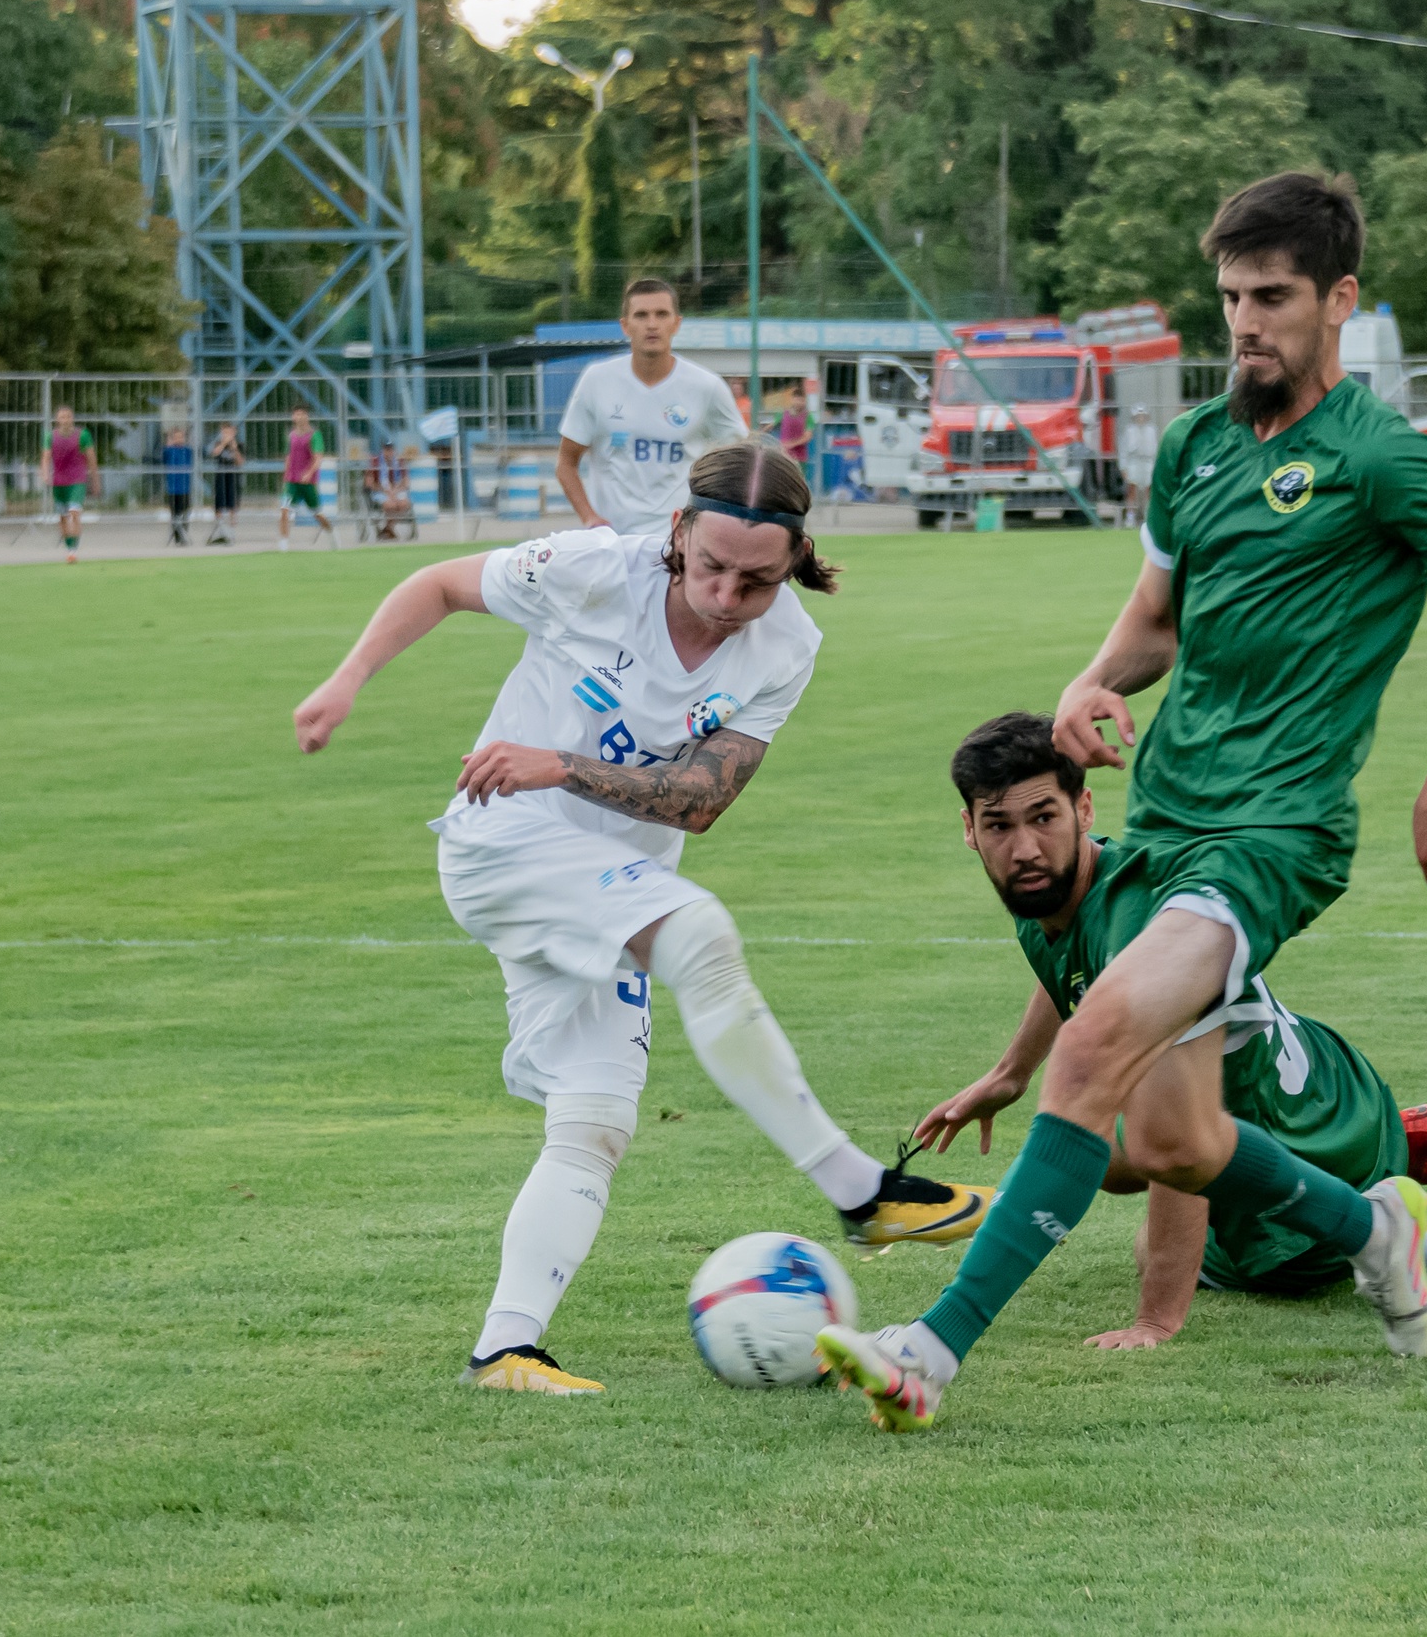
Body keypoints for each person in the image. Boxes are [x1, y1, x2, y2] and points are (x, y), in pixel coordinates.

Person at [813, 170, 1427, 1432]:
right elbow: (1153, 625)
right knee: (1173, 1142)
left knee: (1099, 1036)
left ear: (1338, 301)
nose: (1246, 325)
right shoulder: (1197, 448)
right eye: (1229, 298)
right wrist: (1088, 680)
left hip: (1272, 835)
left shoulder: (1381, 457)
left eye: (1271, 298)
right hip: (1162, 822)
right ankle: (1374, 1229)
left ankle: (929, 1352)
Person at [290, 440, 991, 1397]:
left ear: (793, 561)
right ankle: (859, 1190)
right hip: (505, 846)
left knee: (595, 1116)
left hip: (608, 881)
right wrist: (346, 680)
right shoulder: (592, 570)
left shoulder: (788, 644)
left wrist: (562, 762)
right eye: (710, 567)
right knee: (700, 934)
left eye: (756, 579)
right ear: (677, 534)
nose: (726, 596)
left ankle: (506, 1349)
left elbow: (701, 799)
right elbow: (440, 583)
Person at [912, 713, 1427, 1355]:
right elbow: (1071, 972)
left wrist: (1157, 1320)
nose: (1024, 846)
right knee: (1107, 1154)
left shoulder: (1130, 920)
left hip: (1303, 1133)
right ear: (970, 829)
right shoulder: (1071, 885)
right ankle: (1395, 1145)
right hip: (1331, 1083)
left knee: (1171, 1231)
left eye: (1042, 818)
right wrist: (1010, 1075)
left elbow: (1176, 1151)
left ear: (1083, 808)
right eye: (1000, 824)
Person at [555, 279, 748, 537]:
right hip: (613, 542)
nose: (652, 324)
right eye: (641, 315)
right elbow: (566, 463)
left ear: (676, 323)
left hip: (680, 542)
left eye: (661, 314)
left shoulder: (707, 387)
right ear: (625, 326)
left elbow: (742, 463)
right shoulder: (597, 380)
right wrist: (590, 519)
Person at [38, 405, 98, 564]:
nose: (65, 420)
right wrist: (44, 473)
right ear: (57, 420)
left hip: (77, 480)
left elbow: (91, 458)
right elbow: (45, 457)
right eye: (62, 417)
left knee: (74, 512)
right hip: (59, 481)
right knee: (63, 517)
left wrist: (95, 479)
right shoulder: (50, 436)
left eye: (68, 416)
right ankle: (69, 546)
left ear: (72, 418)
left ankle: (73, 551)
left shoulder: (83, 435)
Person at [279, 406, 333, 551]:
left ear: (307, 416)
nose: (299, 417)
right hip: (292, 481)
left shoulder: (314, 435)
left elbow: (318, 457)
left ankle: (332, 534)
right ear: (293, 417)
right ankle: (283, 545)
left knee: (317, 514)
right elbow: (288, 457)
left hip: (307, 482)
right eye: (297, 414)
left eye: (302, 414)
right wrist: (285, 476)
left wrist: (309, 473)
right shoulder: (290, 436)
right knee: (284, 510)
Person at [1118, 403, 1160, 524]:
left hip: (1148, 463)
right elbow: (1123, 449)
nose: (1140, 418)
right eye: (1138, 416)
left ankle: (1149, 515)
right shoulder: (1128, 431)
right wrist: (1123, 467)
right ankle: (1130, 516)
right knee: (1132, 489)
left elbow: (1156, 449)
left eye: (1142, 416)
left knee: (1149, 490)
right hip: (1133, 463)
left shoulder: (1152, 430)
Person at [205, 421, 244, 545]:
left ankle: (232, 530)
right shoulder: (218, 443)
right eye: (224, 432)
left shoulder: (239, 445)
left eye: (229, 432)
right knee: (219, 503)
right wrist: (223, 443)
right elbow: (214, 453)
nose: (227, 434)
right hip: (220, 478)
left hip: (233, 478)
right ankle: (220, 528)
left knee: (233, 504)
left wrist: (234, 448)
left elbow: (240, 462)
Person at [371, 437, 412, 541]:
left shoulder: (399, 462)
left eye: (391, 449)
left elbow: (405, 481)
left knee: (404, 504)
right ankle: (389, 530)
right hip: (381, 490)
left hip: (397, 489)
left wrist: (395, 490)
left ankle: (387, 529)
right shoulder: (375, 462)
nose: (389, 452)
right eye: (386, 449)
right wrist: (385, 491)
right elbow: (369, 482)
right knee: (390, 505)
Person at [161, 425, 194, 547]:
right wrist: (168, 444)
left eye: (181, 437)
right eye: (176, 437)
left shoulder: (187, 450)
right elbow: (163, 458)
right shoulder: (168, 451)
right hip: (173, 488)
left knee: (185, 512)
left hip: (185, 487)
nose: (178, 439)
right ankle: (177, 537)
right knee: (175, 513)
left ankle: (184, 533)